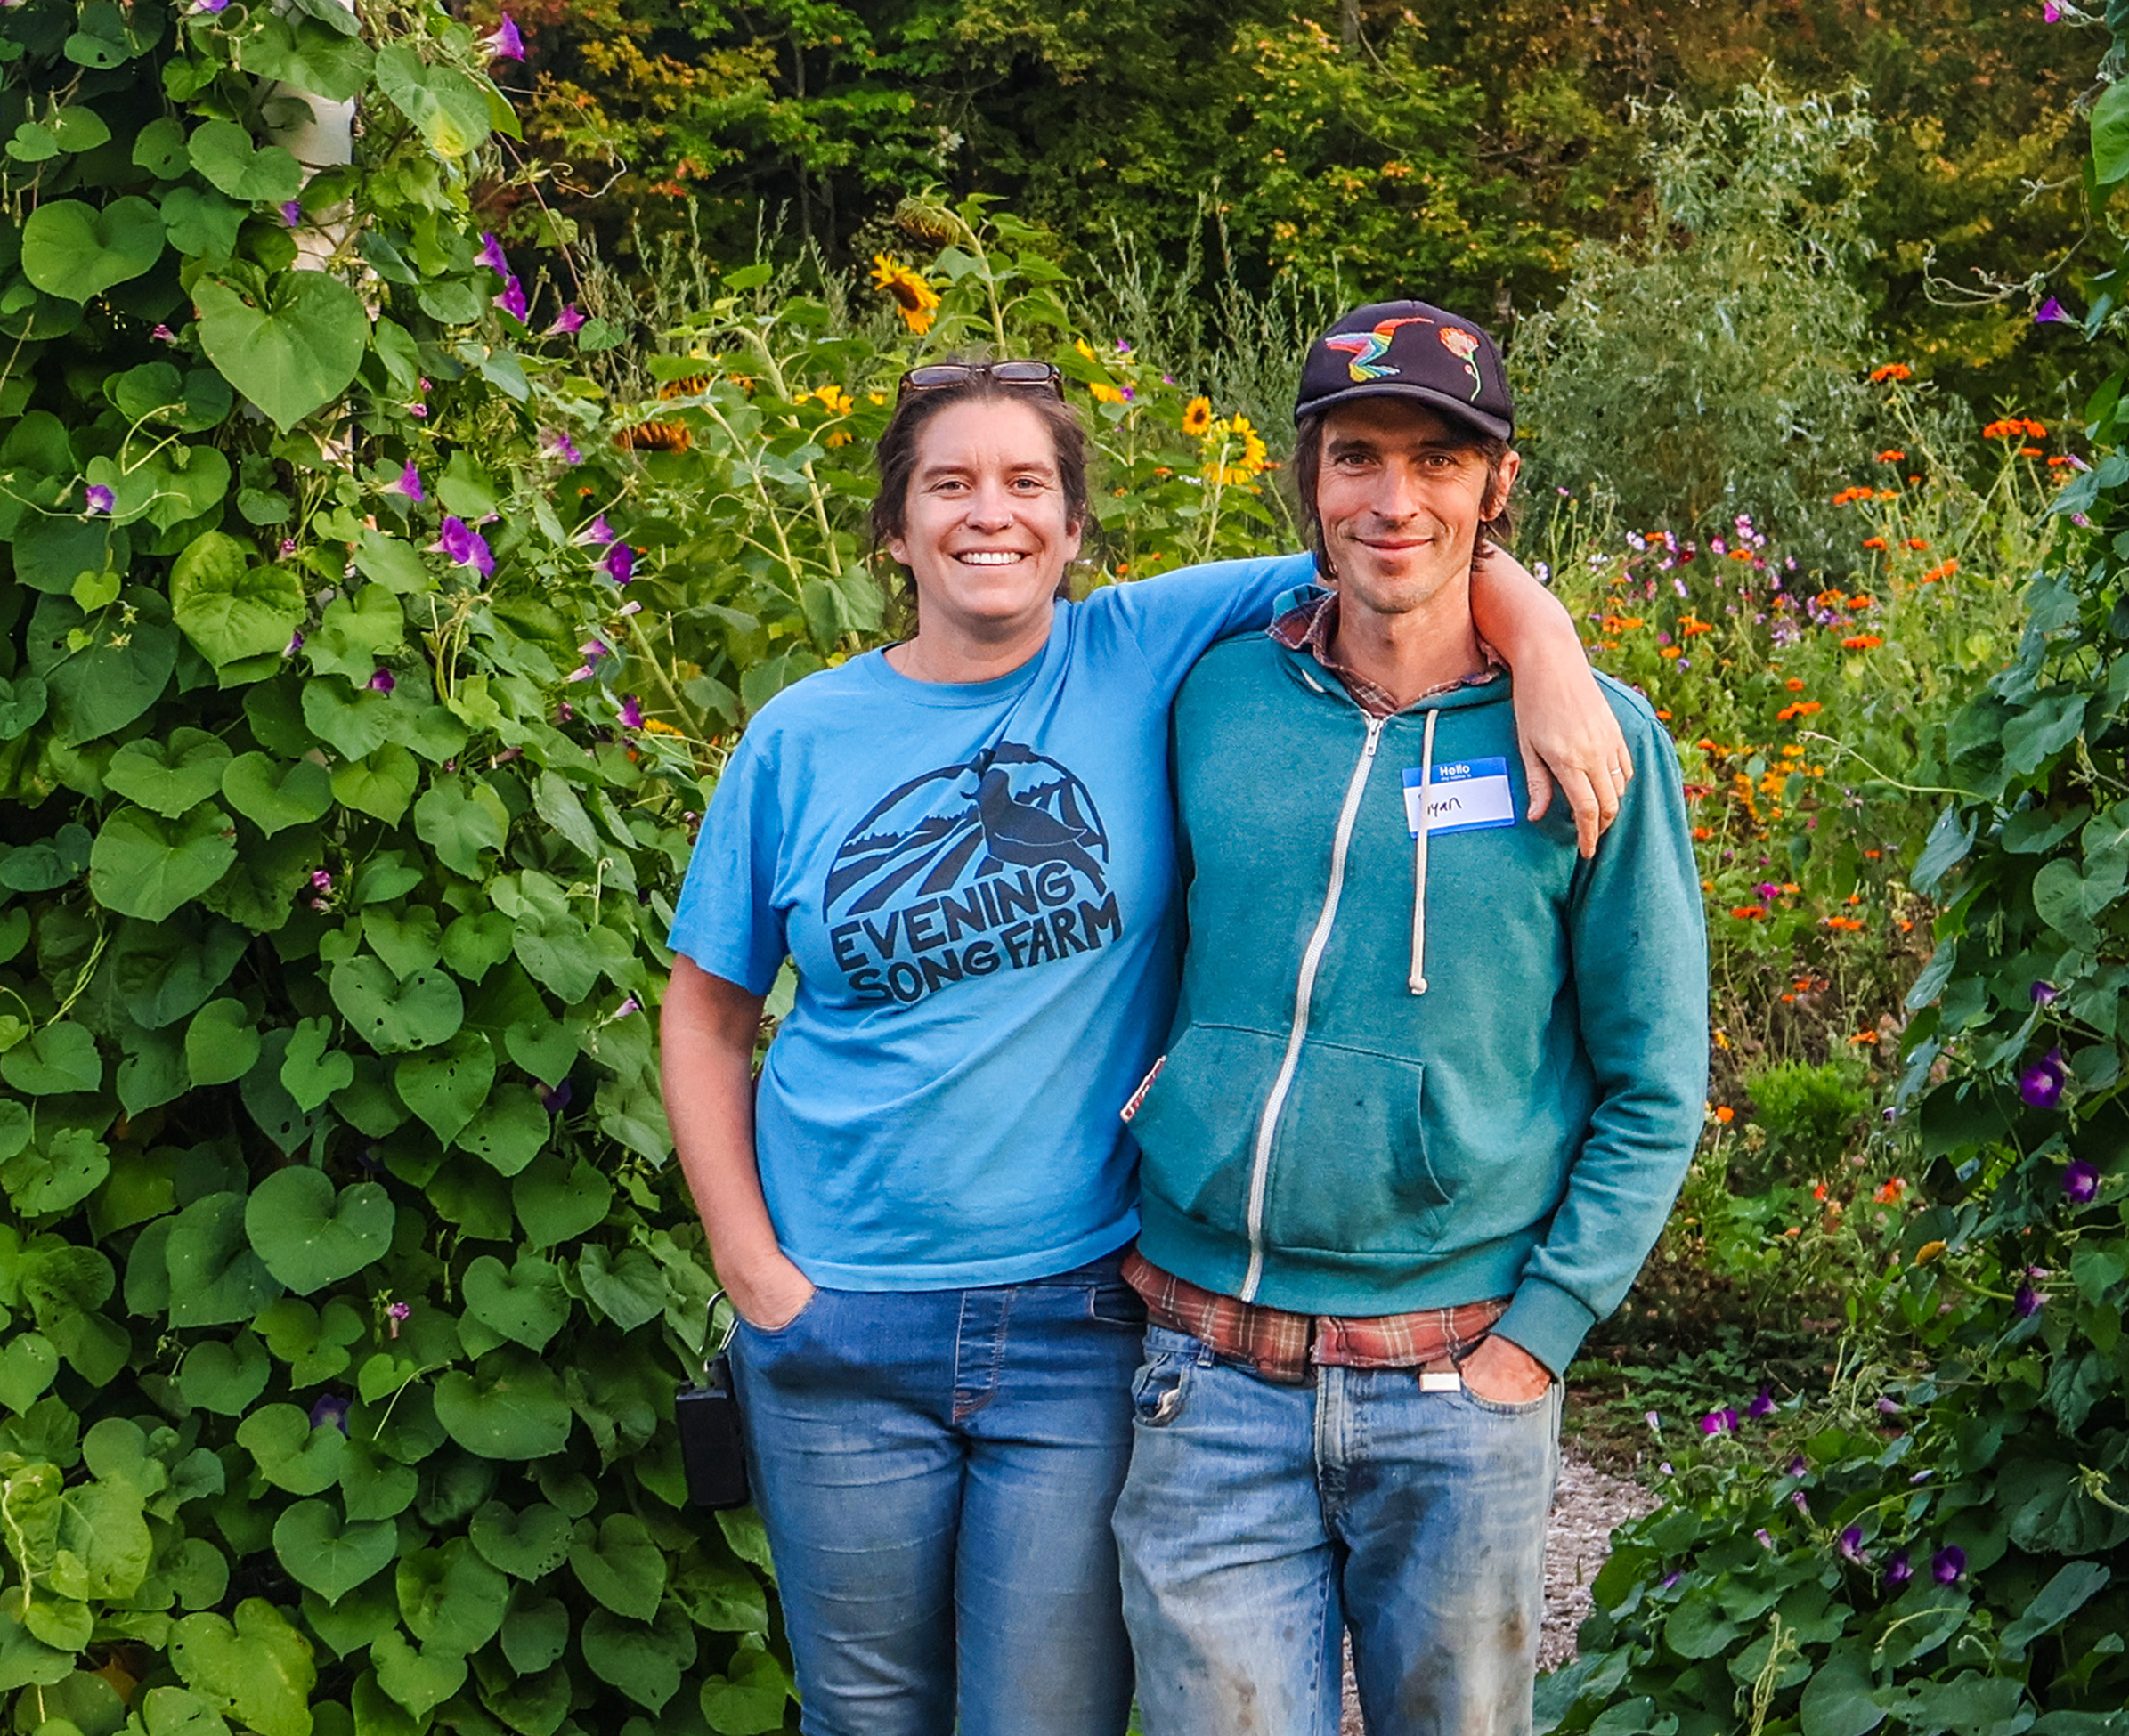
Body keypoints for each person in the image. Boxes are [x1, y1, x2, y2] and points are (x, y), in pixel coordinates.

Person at [657, 352, 1632, 1736]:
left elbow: (1393, 551)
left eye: (1027, 484)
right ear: (894, 528)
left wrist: (1544, 646)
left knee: (1043, 1718)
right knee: (864, 1718)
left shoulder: (1143, 651)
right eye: (949, 484)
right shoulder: (801, 737)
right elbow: (704, 1010)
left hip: (1072, 1319)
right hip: (840, 1314)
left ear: (1071, 527)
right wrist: (754, 1274)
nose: (989, 515)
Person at [1114, 303, 1708, 1736]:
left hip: (1456, 1386)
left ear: (1498, 490)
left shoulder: (1593, 740)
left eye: (1442, 462)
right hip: (1211, 1372)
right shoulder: (1212, 697)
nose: (1397, 499)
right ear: (1309, 483)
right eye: (1359, 457)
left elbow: (1656, 1078)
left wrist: (1541, 1335)